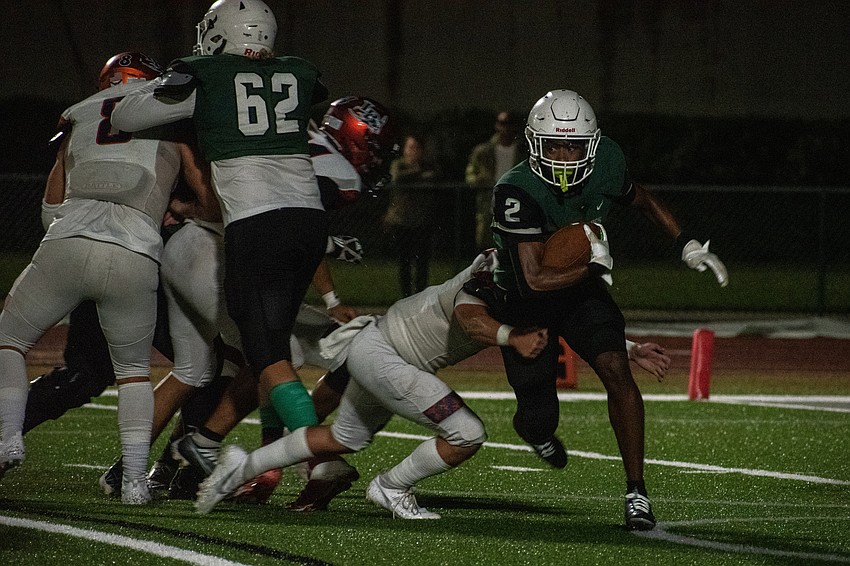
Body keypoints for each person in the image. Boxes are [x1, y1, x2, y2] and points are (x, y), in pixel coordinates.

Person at [192, 247, 672, 518]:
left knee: (342, 437)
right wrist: (512, 337)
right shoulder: (492, 275)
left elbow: (564, 318)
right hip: (388, 355)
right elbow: (471, 317)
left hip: (382, 351)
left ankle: (237, 467)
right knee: (468, 433)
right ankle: (391, 486)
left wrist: (628, 348)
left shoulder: (524, 279)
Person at [101, 96, 399, 505]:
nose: (378, 160)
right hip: (213, 254)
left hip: (186, 248)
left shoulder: (301, 140)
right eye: (377, 147)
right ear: (358, 137)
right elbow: (295, 230)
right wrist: (328, 275)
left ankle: (130, 469)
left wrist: (327, 285)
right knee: (278, 352)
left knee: (198, 367)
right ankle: (308, 461)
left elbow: (290, 229)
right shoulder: (335, 172)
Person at [110, 0, 331, 480]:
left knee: (266, 352)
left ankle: (322, 457)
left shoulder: (202, 73)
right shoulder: (300, 70)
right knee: (273, 350)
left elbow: (125, 117)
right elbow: (309, 96)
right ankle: (213, 447)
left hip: (256, 222)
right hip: (310, 220)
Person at [490, 89, 729, 531]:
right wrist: (595, 265)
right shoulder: (516, 189)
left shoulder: (607, 163)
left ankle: (636, 490)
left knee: (618, 371)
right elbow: (535, 280)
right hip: (526, 302)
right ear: (535, 143)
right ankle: (537, 433)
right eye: (555, 144)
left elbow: (642, 199)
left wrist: (687, 244)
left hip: (580, 290)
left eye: (574, 145)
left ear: (592, 145)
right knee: (539, 416)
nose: (564, 154)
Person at [0, 51, 215, 504]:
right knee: (135, 372)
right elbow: (210, 201)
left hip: (67, 244)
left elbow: (49, 209)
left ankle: (7, 440)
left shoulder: (78, 115)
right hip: (136, 255)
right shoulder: (173, 122)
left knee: (10, 340)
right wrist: (173, 210)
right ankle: (136, 482)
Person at [383, 134, 440, 296]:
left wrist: (418, 175)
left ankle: (420, 296)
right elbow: (398, 179)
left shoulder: (428, 165)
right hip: (401, 220)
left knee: (422, 262)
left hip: (422, 221)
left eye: (415, 148)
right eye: (409, 147)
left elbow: (433, 178)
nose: (412, 151)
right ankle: (406, 296)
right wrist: (418, 173)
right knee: (404, 262)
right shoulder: (398, 165)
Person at [465, 111, 524, 250]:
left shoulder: (521, 150)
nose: (506, 128)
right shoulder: (483, 151)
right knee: (485, 242)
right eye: (502, 123)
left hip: (513, 202)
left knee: (512, 241)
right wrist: (478, 180)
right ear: (496, 125)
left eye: (509, 124)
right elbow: (470, 174)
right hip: (488, 200)